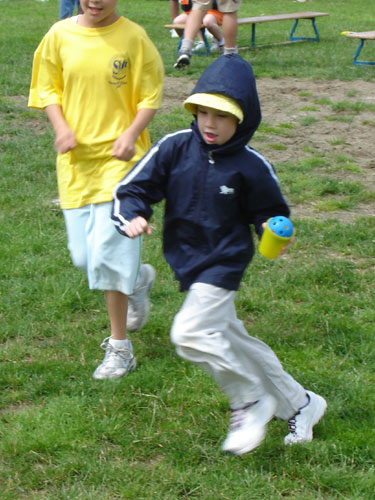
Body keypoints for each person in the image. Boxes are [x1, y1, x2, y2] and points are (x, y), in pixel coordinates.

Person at [112, 54, 327, 455]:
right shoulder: (174, 147)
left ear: (242, 120)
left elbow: (269, 212)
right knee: (233, 338)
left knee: (189, 333)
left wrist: (271, 230)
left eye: (222, 116)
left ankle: (249, 399)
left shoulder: (252, 166)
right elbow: (133, 189)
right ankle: (302, 403)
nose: (210, 124)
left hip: (224, 262)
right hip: (187, 260)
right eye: (203, 113)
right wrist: (132, 215)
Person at [28, 0, 164, 380]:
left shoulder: (134, 37)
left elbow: (150, 96)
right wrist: (61, 128)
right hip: (76, 164)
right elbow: (46, 88)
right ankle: (136, 280)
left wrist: (131, 134)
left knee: (108, 257)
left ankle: (120, 349)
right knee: (84, 259)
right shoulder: (59, 35)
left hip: (121, 164)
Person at [174, 0, 240, 68]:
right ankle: (230, 54)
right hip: (213, 10)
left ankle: (185, 50)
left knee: (198, 8)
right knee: (228, 9)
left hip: (213, 12)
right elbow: (185, 7)